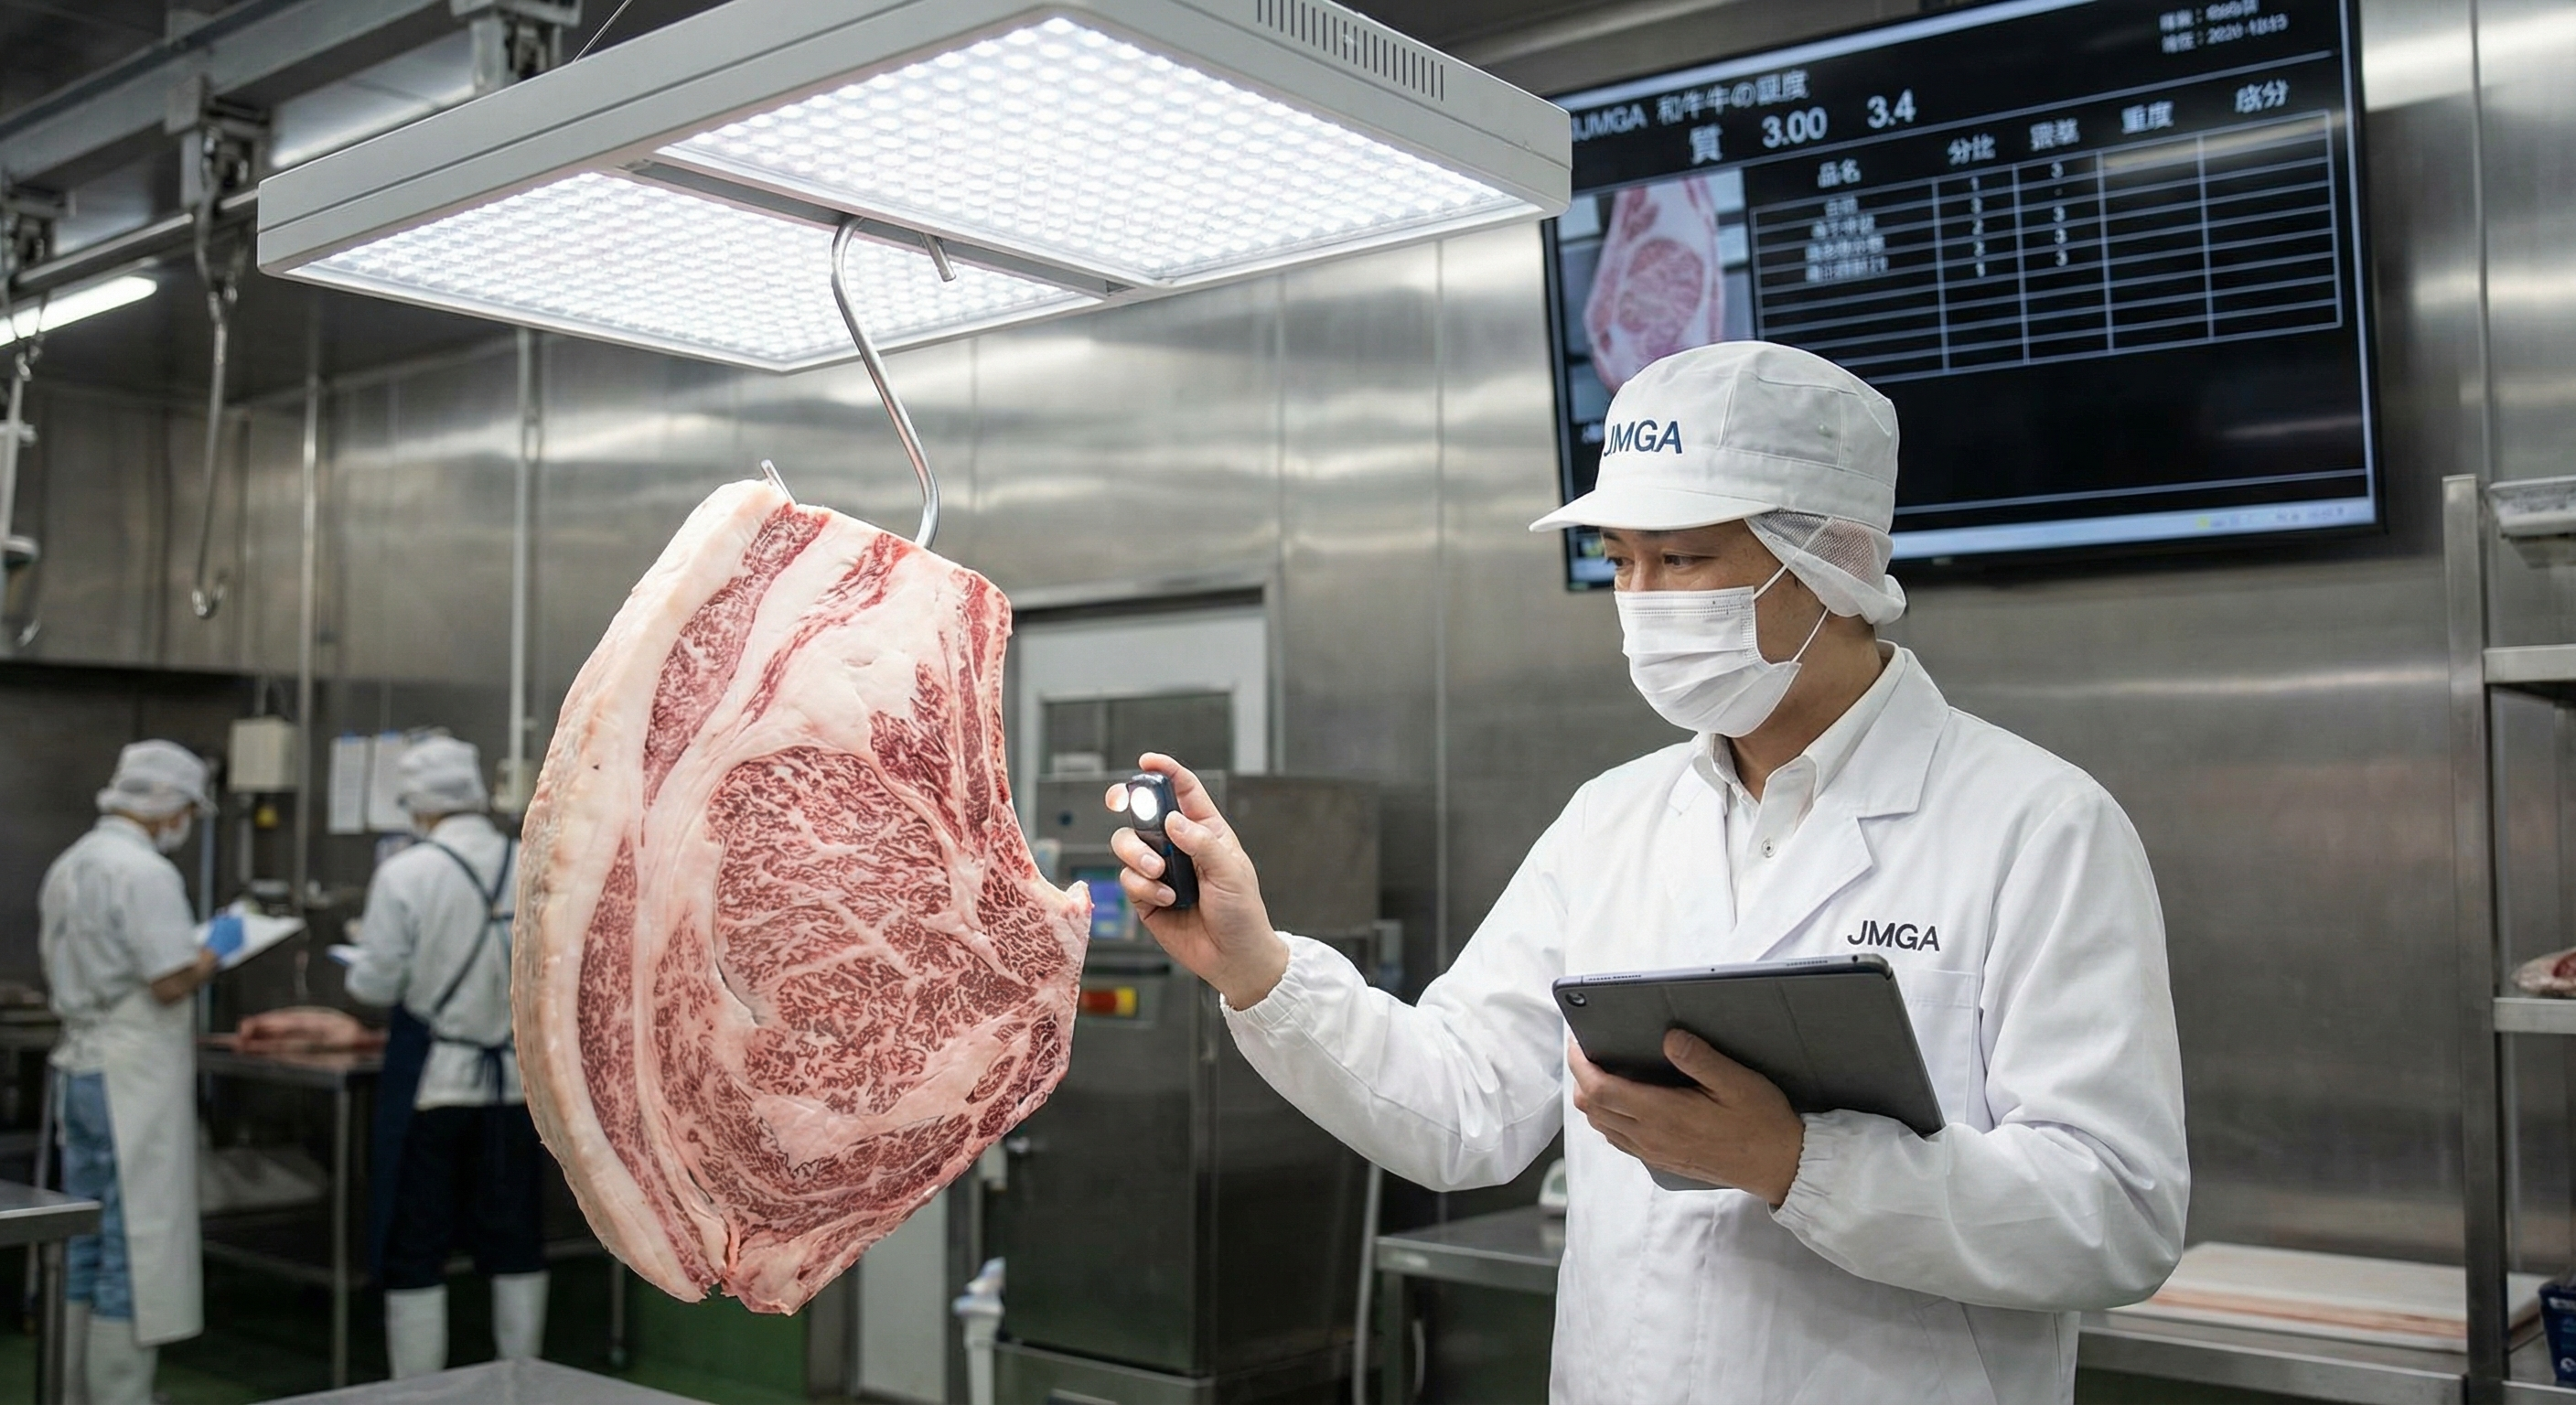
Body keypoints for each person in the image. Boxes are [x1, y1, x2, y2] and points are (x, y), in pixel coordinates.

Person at [1106, 342, 2189, 1404]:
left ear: (1827, 560)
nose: (1643, 599)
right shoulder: (1610, 820)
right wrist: (1256, 968)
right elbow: (1463, 1107)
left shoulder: (2035, 826)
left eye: (1681, 560)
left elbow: (2117, 1214)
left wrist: (1794, 1161)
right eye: (1622, 560)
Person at [343, 736, 547, 1377]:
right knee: (515, 1238)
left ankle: (419, 1394)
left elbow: (373, 985)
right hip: (516, 1088)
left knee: (417, 1242)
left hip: (434, 1087)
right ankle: (522, 1381)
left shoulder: (406, 874)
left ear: (417, 804)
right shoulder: (530, 861)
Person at [39, 740, 235, 1405]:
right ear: (163, 807)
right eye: (184, 808)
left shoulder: (73, 863)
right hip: (131, 1077)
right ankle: (119, 1395)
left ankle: (66, 1388)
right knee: (135, 1242)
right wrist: (218, 950)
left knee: (83, 1241)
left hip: (82, 1071)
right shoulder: (144, 873)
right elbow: (170, 980)